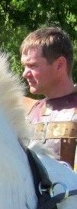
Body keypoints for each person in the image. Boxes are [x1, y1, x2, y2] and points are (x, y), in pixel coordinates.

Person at [22, 26, 77, 167]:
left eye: (33, 66)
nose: (25, 73)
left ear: (59, 65)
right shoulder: (27, 113)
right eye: (25, 66)